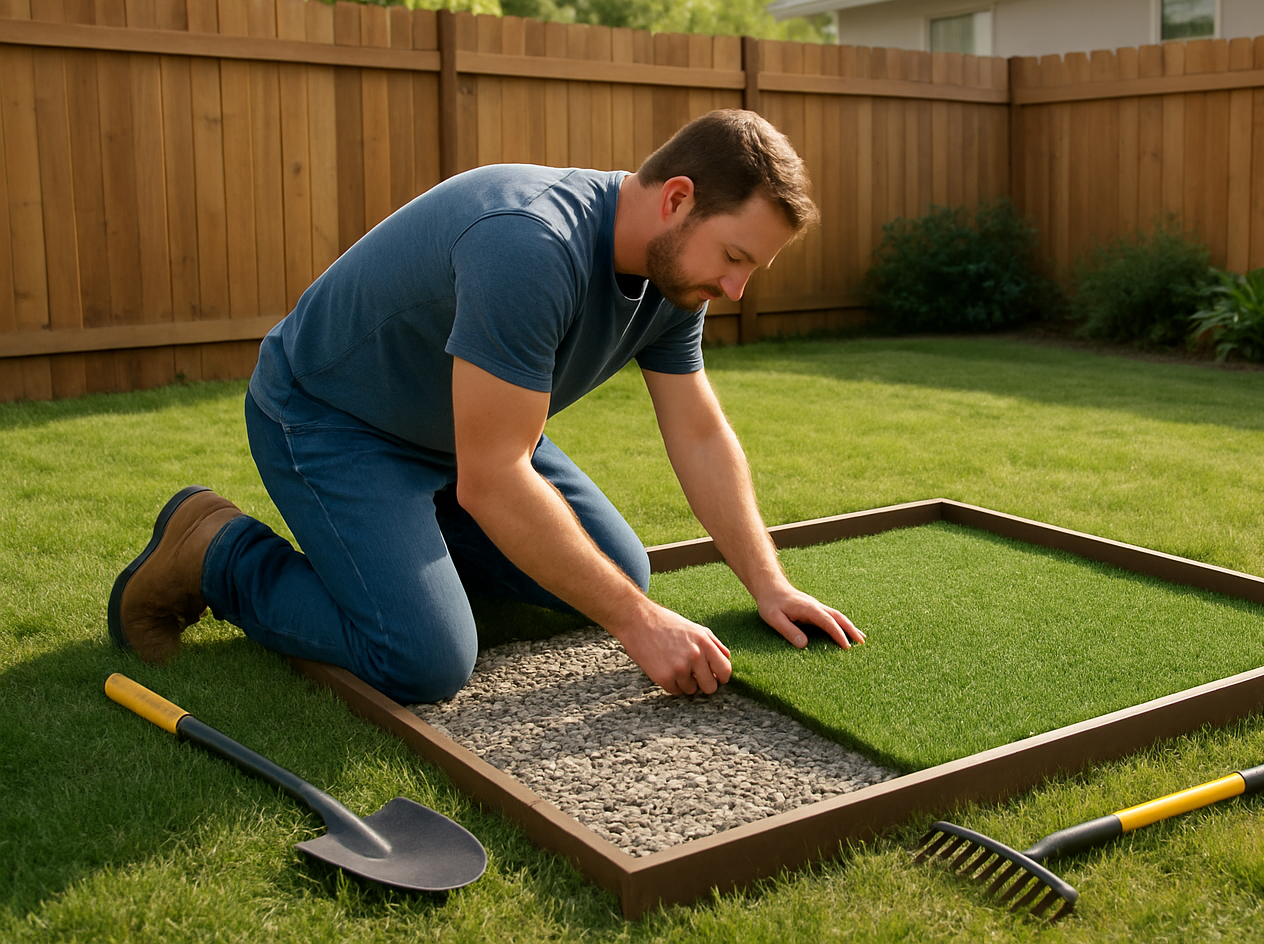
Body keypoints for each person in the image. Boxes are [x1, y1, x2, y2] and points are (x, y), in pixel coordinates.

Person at [107, 109, 864, 704]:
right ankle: (215, 552)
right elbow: (495, 478)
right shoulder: (530, 244)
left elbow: (698, 431)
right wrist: (638, 624)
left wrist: (769, 583)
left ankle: (404, 565)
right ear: (677, 199)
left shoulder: (675, 277)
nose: (736, 291)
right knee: (426, 659)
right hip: (333, 421)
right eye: (736, 259)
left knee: (618, 571)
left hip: (460, 435)